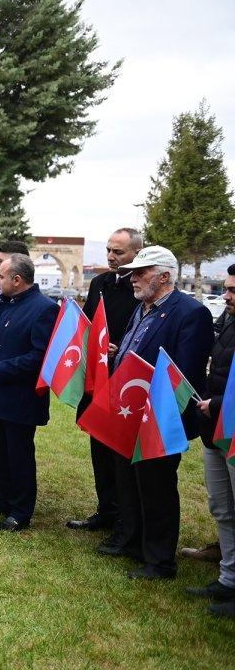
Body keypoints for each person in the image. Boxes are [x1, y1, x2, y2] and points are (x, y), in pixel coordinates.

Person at [106, 246, 211, 580]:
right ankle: (135, 543)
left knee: (157, 487)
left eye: (141, 272)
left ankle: (160, 560)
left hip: (160, 418)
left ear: (165, 276)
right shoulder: (142, 308)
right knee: (129, 481)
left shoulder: (190, 312)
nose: (133, 278)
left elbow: (185, 372)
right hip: (129, 413)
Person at [0, 254, 57, 531]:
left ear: (16, 280)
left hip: (20, 397)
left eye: (1, 276)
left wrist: (2, 369)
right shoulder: (8, 303)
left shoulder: (45, 308)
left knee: (18, 455)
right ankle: (2, 499)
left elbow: (40, 355)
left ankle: (21, 510)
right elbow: (4, 334)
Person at [66, 228, 142, 535]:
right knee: (98, 449)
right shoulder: (99, 283)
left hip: (125, 383)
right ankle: (106, 510)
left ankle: (126, 519)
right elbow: (87, 326)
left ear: (137, 253)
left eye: (118, 252)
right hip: (97, 381)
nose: (111, 256)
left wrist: (119, 346)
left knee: (120, 456)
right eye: (109, 250)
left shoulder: (139, 289)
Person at [192, 264, 235, 618]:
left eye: (233, 290)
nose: (226, 296)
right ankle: (228, 578)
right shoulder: (227, 322)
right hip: (214, 430)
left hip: (228, 424)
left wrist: (217, 404)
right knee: (222, 506)